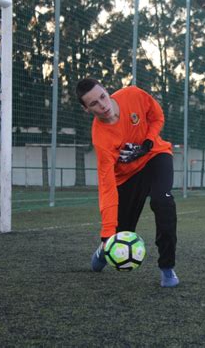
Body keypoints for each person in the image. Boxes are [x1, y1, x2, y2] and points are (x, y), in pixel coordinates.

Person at [75, 78, 179, 288]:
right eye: (94, 103)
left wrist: (149, 140)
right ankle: (104, 251)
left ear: (107, 91)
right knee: (121, 233)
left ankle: (167, 269)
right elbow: (107, 186)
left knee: (163, 201)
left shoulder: (133, 95)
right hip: (127, 176)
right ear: (86, 109)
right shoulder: (101, 139)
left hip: (155, 156)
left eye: (102, 97)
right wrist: (107, 234)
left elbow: (156, 116)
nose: (102, 105)